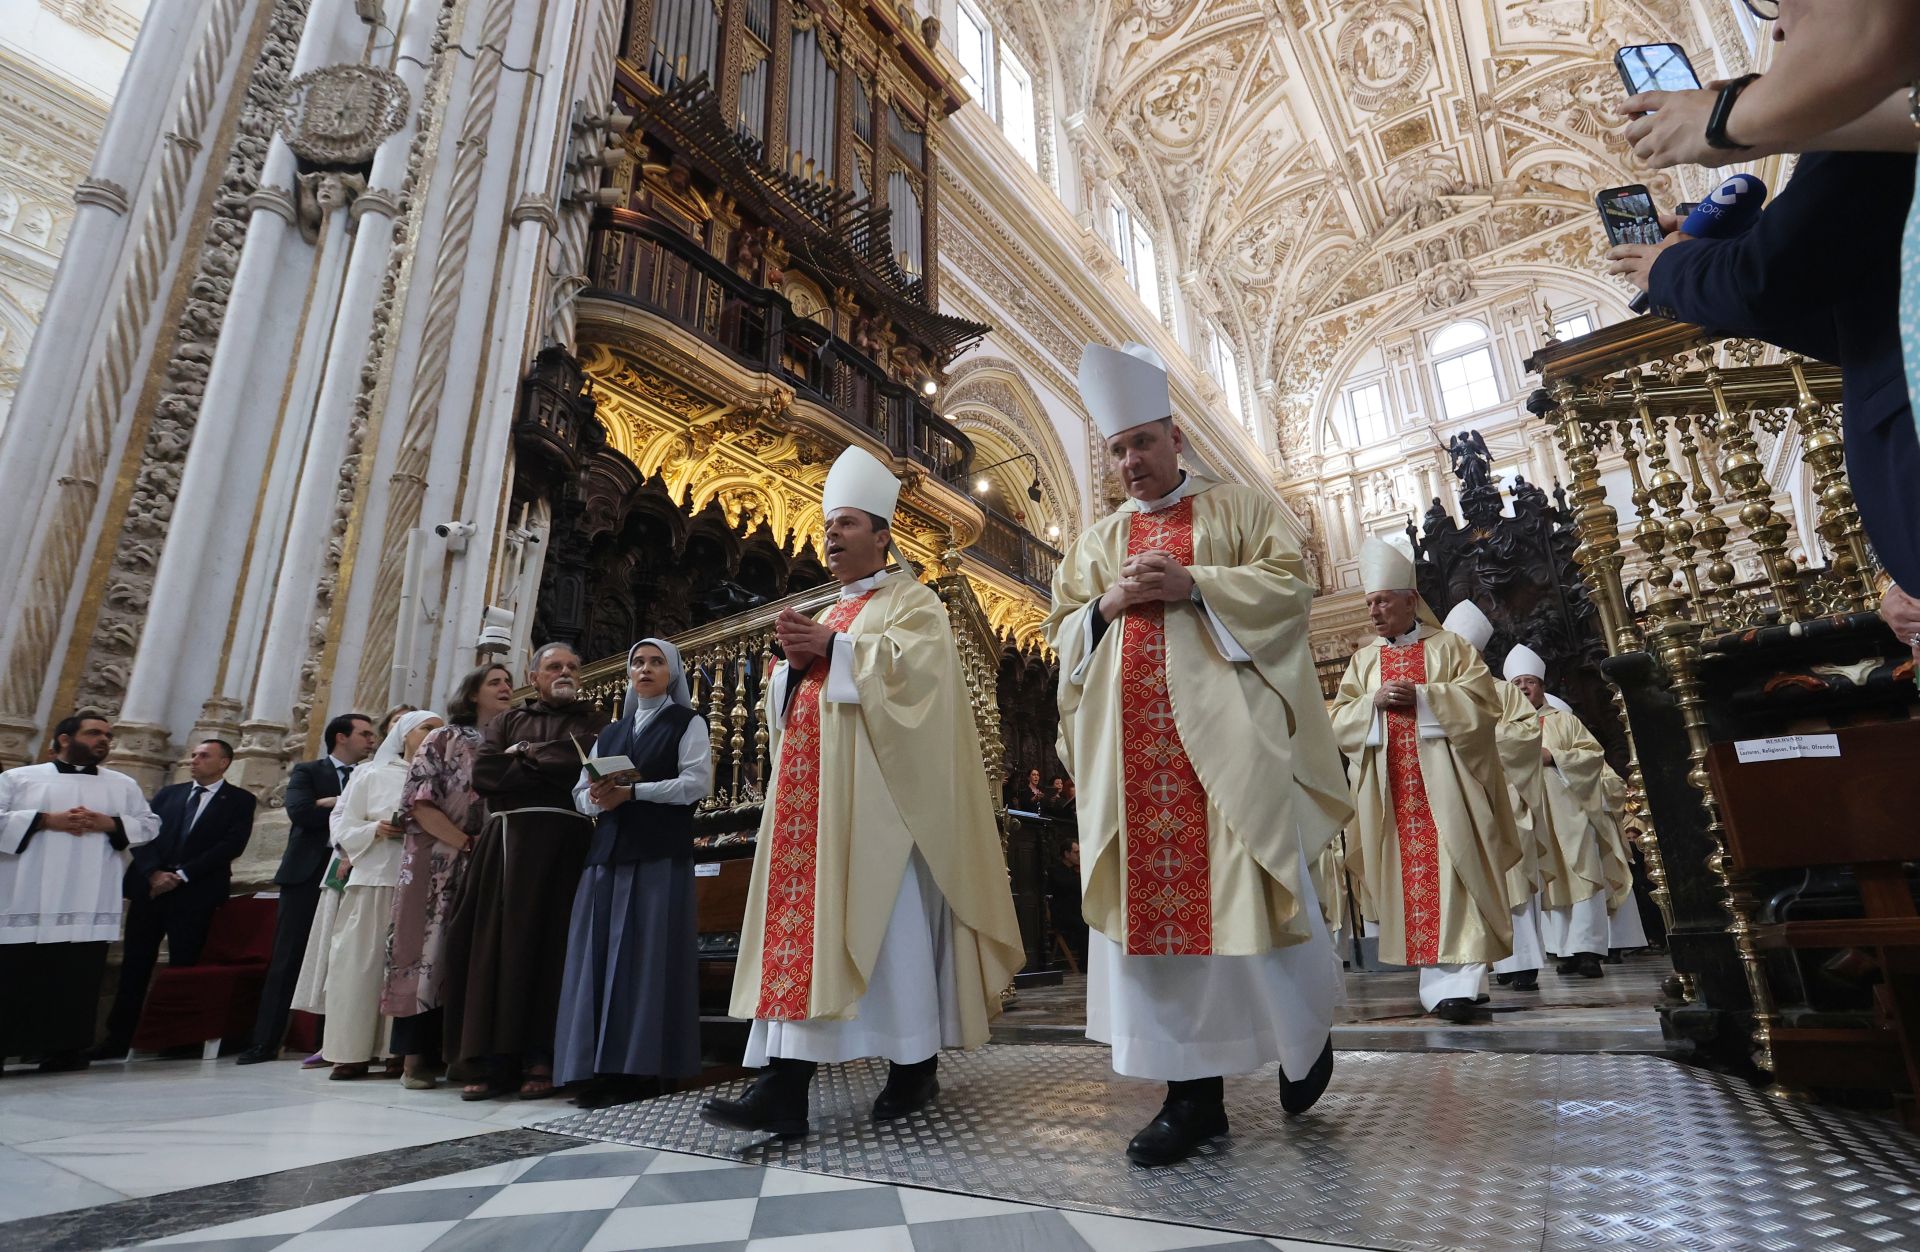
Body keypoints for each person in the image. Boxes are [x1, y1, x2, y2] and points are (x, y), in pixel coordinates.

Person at [1045, 342, 1352, 1166]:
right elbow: (1061, 636)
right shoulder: (1097, 543)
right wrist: (1104, 606)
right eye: (1116, 449)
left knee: (1260, 889)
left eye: (1142, 442)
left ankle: (1301, 1038)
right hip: (1132, 761)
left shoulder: (1242, 510)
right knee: (1161, 932)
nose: (1130, 461)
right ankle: (1192, 1099)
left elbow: (1289, 593)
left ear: (1176, 439)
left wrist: (1198, 586)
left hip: (1229, 751)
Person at [701, 445, 1023, 1140]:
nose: (832, 536)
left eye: (846, 524)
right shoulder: (831, 610)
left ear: (882, 535)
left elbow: (921, 688)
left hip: (885, 812)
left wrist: (833, 651)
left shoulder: (915, 604)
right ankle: (783, 1088)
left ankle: (914, 1066)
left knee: (893, 939)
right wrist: (789, 673)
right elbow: (791, 707)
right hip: (812, 810)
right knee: (804, 939)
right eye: (828, 526)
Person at [1331, 536, 1520, 1025]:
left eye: (1382, 601)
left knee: (1460, 875)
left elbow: (1482, 703)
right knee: (1412, 883)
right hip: (1394, 794)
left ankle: (1459, 985)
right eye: (1369, 602)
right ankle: (1448, 987)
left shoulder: (1451, 648)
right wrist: (1371, 704)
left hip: (1449, 789)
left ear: (1410, 600)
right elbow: (1338, 719)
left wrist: (1424, 697)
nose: (1374, 612)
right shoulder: (1362, 661)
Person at [557, 638, 711, 1109]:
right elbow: (580, 795)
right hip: (608, 855)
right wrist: (597, 796)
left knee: (646, 960)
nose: (645, 669)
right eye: (637, 662)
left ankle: (642, 1068)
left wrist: (635, 794)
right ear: (628, 673)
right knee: (599, 958)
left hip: (658, 854)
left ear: (673, 673)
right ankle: (599, 1065)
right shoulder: (611, 731)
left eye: (656, 662)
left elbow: (696, 783)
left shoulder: (689, 722)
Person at [443, 643, 599, 1099]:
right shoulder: (506, 720)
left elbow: (582, 764)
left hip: (566, 844)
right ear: (536, 675)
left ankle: (543, 1056)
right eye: (555, 666)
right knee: (497, 947)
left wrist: (525, 755)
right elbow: (487, 774)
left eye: (573, 665)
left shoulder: (594, 721)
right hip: (508, 844)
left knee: (554, 950)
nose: (565, 671)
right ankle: (494, 1059)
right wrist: (545, 760)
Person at [1, 714, 160, 1071]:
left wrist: (111, 823)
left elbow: (150, 824)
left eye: (107, 735)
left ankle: (64, 1050)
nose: (103, 740)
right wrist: (44, 820)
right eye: (94, 733)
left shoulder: (121, 784)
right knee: (15, 975)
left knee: (75, 978)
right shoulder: (19, 778)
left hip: (88, 895)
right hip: (26, 894)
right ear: (63, 739)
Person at [382, 664, 512, 1088]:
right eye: (495, 682)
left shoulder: (507, 740)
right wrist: (464, 842)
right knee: (424, 948)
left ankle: (461, 1052)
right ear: (472, 693)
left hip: (487, 855)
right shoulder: (443, 737)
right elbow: (419, 801)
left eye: (509, 681)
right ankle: (415, 1058)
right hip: (437, 855)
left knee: (469, 952)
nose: (506, 687)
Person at [93, 739, 257, 1059]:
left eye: (204, 755)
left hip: (196, 893)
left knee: (186, 965)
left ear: (224, 763)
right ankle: (118, 1037)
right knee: (135, 965)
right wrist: (154, 873)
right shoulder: (170, 794)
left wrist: (182, 875)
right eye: (193, 755)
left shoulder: (239, 800)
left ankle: (178, 1039)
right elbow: (144, 833)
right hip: (151, 891)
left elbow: (230, 846)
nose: (194, 760)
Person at [237, 712, 378, 1064]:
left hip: (354, 870)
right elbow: (300, 812)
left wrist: (329, 805)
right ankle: (265, 1041)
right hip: (307, 873)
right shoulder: (308, 771)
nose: (371, 740)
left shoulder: (370, 774)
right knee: (288, 958)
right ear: (341, 737)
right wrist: (342, 808)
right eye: (364, 733)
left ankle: (329, 1043)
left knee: (343, 959)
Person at [313, 711, 443, 1079]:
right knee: (358, 965)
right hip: (374, 876)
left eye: (440, 729)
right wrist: (375, 828)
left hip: (420, 882)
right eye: (427, 728)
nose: (436, 734)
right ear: (404, 735)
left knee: (404, 968)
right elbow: (341, 821)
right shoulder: (370, 773)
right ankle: (349, 1051)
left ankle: (395, 1051)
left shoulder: (442, 776)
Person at [1439, 602, 1550, 995]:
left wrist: (1478, 740)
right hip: (1456, 797)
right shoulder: (1441, 693)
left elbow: (1524, 735)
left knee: (1511, 879)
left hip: (1501, 796)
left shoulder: (1503, 692)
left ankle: (1519, 961)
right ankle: (1478, 965)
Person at [1504, 646, 1611, 980]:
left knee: (1581, 871)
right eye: (1517, 682)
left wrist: (1557, 758)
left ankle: (1589, 950)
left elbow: (1594, 756)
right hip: (1529, 812)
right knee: (1549, 879)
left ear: (1541, 685)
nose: (1523, 687)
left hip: (1570, 809)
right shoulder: (1505, 727)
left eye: (1530, 682)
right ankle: (1565, 948)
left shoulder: (1564, 720)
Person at [1045, 838, 1087, 968]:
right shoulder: (1055, 870)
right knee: (1085, 926)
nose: (1079, 855)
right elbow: (1068, 886)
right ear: (1066, 854)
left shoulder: (1077, 870)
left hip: (1077, 912)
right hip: (1063, 914)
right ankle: (1085, 965)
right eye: (1076, 852)